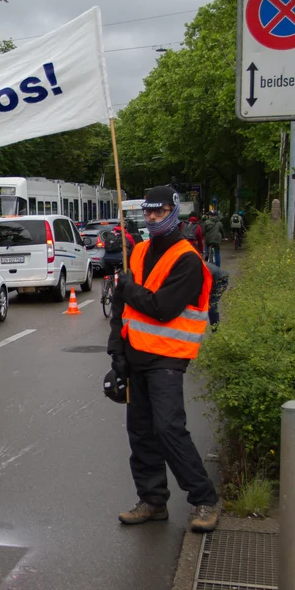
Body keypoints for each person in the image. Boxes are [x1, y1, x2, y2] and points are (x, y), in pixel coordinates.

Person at [106, 185, 220, 533]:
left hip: (167, 359)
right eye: (148, 211)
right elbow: (120, 310)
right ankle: (152, 501)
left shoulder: (188, 260)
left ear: (174, 211)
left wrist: (128, 289)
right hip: (136, 355)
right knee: (140, 433)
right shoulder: (137, 252)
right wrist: (117, 355)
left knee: (168, 429)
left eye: (159, 211)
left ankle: (204, 500)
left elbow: (162, 308)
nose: (152, 217)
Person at [205, 262, 230, 330]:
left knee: (212, 306)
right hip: (213, 279)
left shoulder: (197, 270)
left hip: (221, 281)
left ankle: (215, 330)